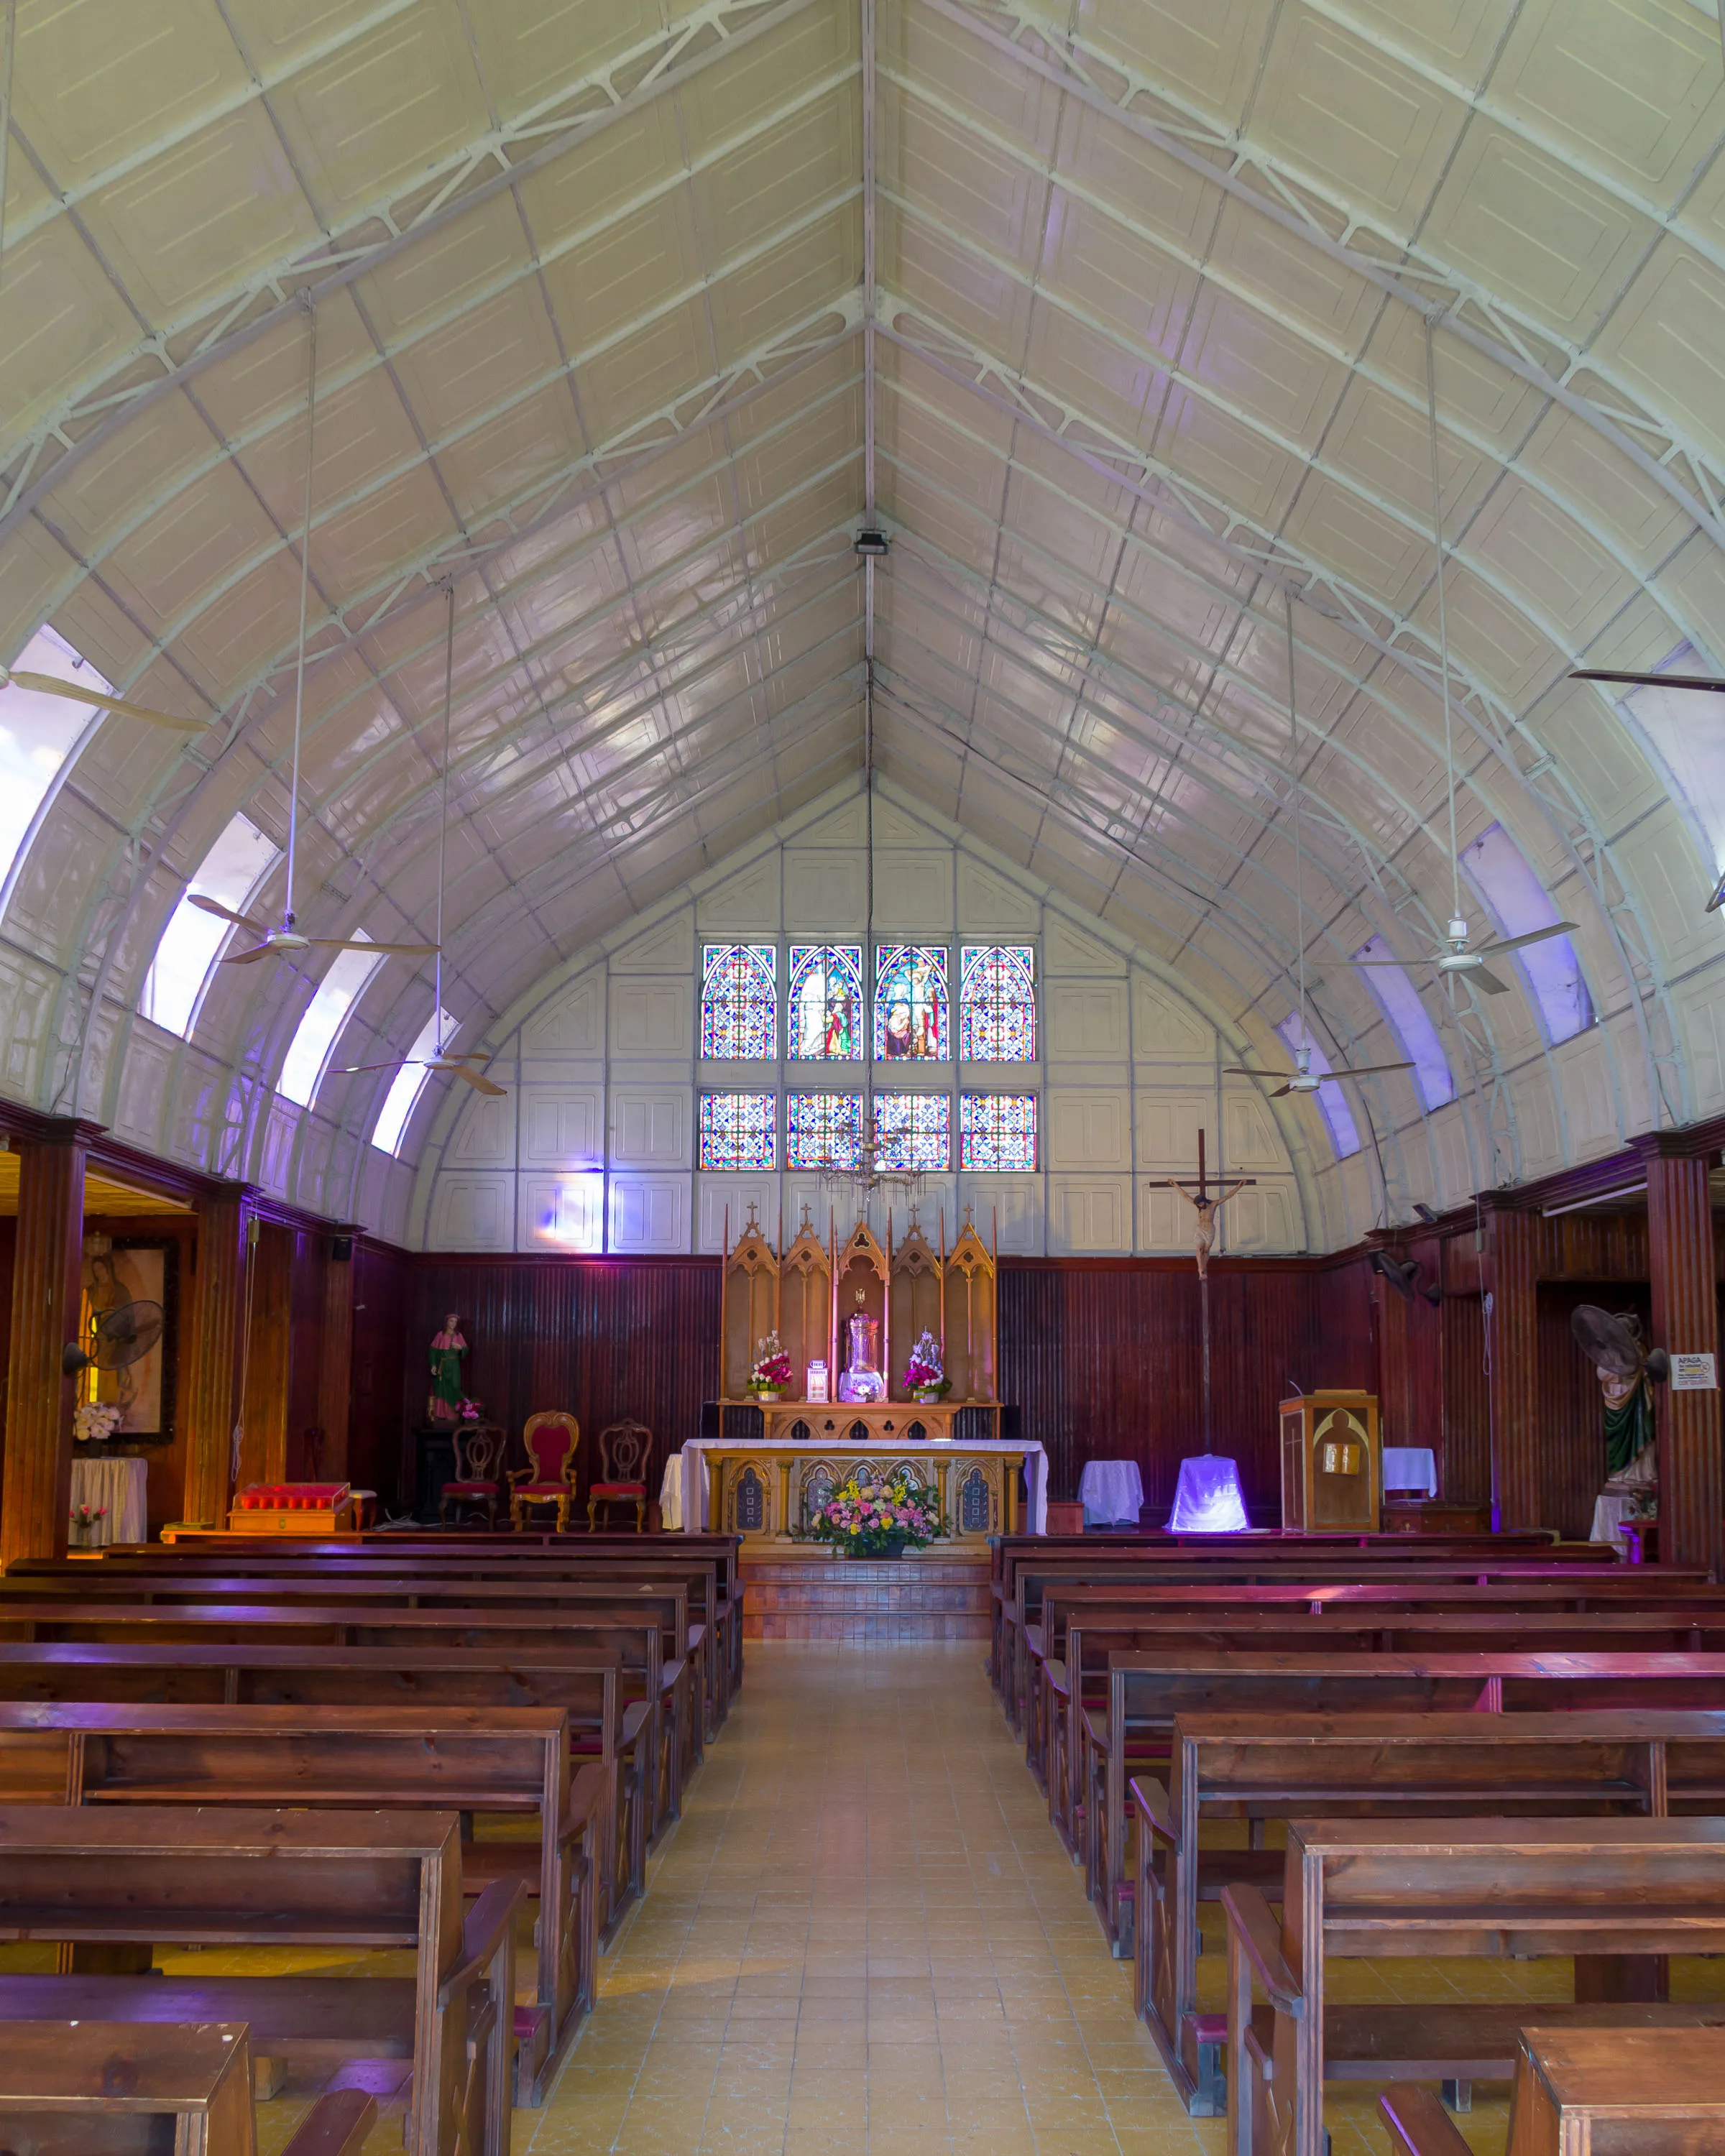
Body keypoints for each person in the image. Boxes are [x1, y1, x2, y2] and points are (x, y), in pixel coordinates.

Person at [428, 1313, 467, 1422]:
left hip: (454, 1366)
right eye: (451, 1321)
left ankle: (453, 1415)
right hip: (443, 1365)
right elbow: (433, 1351)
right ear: (447, 1322)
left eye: (455, 1322)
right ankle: (440, 1413)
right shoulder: (440, 1335)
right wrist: (434, 1365)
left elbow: (466, 1350)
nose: (453, 1324)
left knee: (454, 1387)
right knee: (442, 1389)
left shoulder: (458, 1336)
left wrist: (460, 1348)